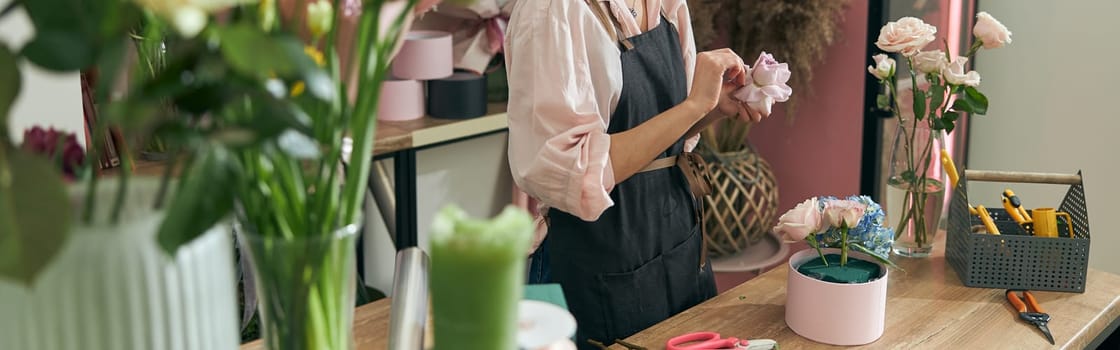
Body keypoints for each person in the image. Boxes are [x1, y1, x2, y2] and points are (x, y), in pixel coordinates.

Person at [505, 0, 768, 347]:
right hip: (597, 266)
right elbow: (574, 170)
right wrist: (692, 106)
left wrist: (712, 107)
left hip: (678, 248)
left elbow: (665, 134)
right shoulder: (553, 11)